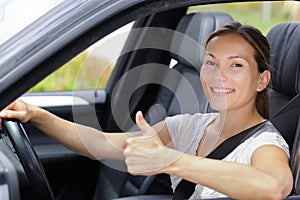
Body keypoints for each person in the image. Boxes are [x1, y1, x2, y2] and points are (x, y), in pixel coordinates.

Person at [0, 22, 293, 199]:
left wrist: (170, 160)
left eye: (236, 65)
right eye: (211, 62)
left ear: (262, 80)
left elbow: (274, 187)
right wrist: (35, 114)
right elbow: (99, 144)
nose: (219, 76)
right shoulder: (189, 126)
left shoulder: (265, 144)